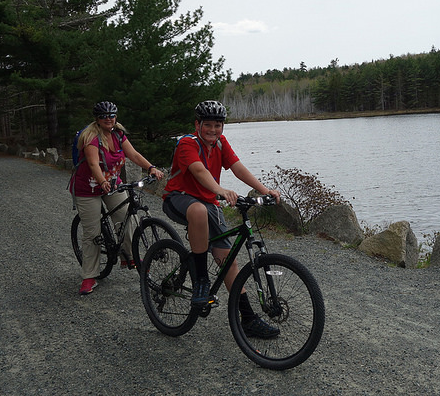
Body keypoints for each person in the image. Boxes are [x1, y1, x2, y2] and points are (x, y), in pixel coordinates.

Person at [162, 100, 282, 339]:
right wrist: (220, 190)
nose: (213, 130)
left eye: (218, 125)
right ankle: (201, 282)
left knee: (228, 261)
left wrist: (264, 189)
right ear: (197, 124)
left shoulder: (220, 143)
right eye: (208, 125)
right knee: (198, 211)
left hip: (208, 202)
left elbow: (237, 167)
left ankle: (247, 318)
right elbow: (199, 171)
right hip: (179, 198)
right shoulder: (188, 143)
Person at [69, 101, 164, 295]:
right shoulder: (91, 137)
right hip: (88, 188)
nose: (109, 119)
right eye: (104, 116)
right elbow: (94, 164)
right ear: (97, 119)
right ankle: (89, 276)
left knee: (127, 217)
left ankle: (128, 256)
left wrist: (151, 167)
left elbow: (134, 155)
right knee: (93, 233)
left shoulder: (118, 134)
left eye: (112, 115)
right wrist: (102, 181)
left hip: (112, 184)